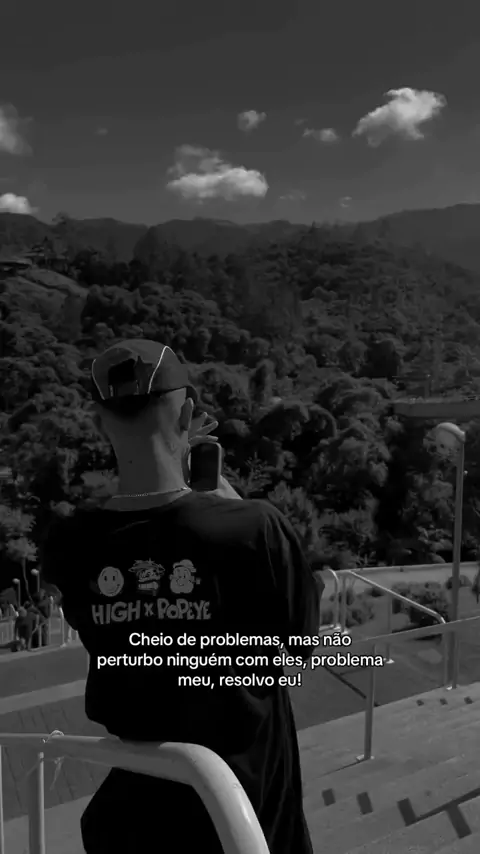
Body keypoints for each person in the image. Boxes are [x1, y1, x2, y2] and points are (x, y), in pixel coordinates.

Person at [40, 339, 321, 854]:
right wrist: (221, 493)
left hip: (137, 815)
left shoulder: (71, 543)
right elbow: (298, 648)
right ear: (188, 413)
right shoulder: (255, 529)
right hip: (244, 812)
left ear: (100, 423)